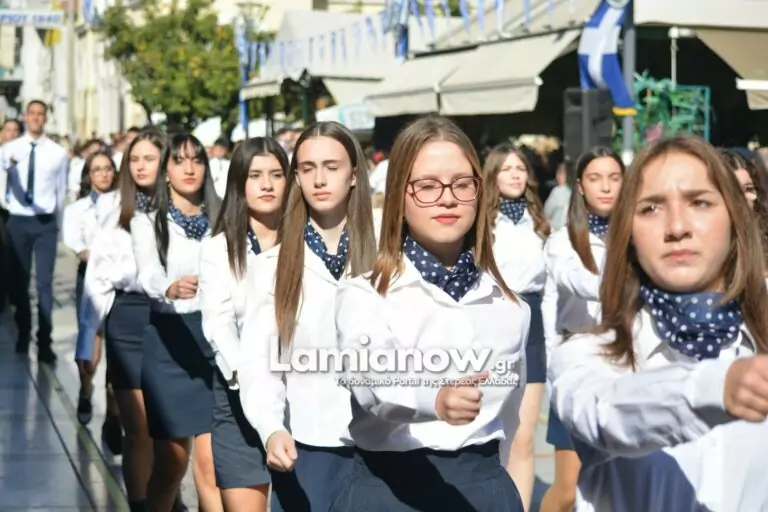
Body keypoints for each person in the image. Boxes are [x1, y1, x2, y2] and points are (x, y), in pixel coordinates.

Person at [550, 135, 768, 511]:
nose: (677, 226)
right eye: (651, 208)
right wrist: (713, 388)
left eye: (699, 202)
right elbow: (605, 415)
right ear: (628, 233)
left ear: (735, 218)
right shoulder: (585, 355)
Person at [332, 116, 528, 511]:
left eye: (462, 183)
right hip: (388, 493)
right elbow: (371, 381)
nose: (447, 198)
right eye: (426, 186)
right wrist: (434, 398)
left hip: (482, 490)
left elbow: (510, 419)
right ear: (399, 199)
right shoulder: (363, 295)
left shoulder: (511, 307)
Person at [237, 121, 377, 511]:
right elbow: (258, 363)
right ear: (296, 177)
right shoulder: (271, 266)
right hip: (309, 447)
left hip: (384, 448)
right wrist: (270, 428)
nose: (319, 179)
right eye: (307, 168)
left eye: (331, 166)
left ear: (354, 174)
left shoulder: (390, 256)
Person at [131, 133, 222, 511]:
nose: (189, 168)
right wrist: (168, 287)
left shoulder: (223, 218)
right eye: (179, 160)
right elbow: (147, 272)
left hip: (215, 342)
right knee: (171, 465)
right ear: (166, 170)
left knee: (211, 467)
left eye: (196, 160)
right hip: (168, 343)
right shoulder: (147, 221)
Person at [199, 137, 289, 511]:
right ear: (239, 183)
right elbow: (218, 324)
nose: (267, 185)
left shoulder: (307, 244)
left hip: (301, 389)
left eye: (276, 175)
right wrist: (248, 375)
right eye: (255, 175)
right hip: (237, 392)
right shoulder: (218, 249)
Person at [84, 129, 168, 511]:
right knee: (139, 429)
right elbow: (97, 277)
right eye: (134, 160)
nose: (140, 166)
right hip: (128, 317)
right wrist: (88, 338)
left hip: (171, 316)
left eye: (149, 158)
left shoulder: (184, 205)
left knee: (170, 429)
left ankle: (165, 495)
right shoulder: (113, 206)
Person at [540, 147, 625, 512]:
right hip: (579, 364)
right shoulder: (563, 240)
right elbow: (573, 279)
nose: (605, 187)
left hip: (628, 364)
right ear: (579, 186)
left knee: (622, 484)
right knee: (568, 489)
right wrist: (625, 280)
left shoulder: (639, 235)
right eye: (595, 178)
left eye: (614, 178)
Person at [482, 143, 551, 511]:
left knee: (524, 436)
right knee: (490, 431)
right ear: (493, 175)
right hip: (492, 318)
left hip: (533, 319)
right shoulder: (480, 221)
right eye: (506, 168)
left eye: (520, 168)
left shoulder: (540, 223)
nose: (514, 175)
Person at [2, 100, 68, 364]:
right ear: (25, 117)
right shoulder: (10, 149)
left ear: (46, 118)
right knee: (19, 281)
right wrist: (7, 204)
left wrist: (59, 226)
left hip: (44, 223)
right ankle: (23, 331)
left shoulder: (57, 153)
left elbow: (61, 191)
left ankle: (44, 340)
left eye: (41, 114)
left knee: (44, 284)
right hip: (18, 220)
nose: (36, 118)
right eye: (32, 114)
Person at [62, 150, 117, 424]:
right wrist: (85, 252)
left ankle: (113, 411)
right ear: (88, 175)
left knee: (117, 347)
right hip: (91, 276)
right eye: (97, 169)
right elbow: (73, 239)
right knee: (90, 338)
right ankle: (85, 389)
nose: (103, 174)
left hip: (119, 277)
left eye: (108, 168)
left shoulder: (124, 203)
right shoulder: (77, 208)